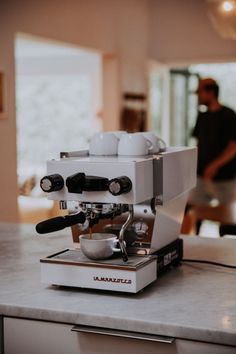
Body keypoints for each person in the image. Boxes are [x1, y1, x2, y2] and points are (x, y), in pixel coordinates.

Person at [186, 77, 236, 235]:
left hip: (224, 178)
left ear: (210, 91)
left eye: (200, 92)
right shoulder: (202, 116)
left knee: (226, 218)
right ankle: (196, 240)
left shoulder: (229, 115)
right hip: (201, 176)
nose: (198, 96)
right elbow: (199, 144)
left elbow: (233, 147)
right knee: (193, 210)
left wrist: (214, 166)